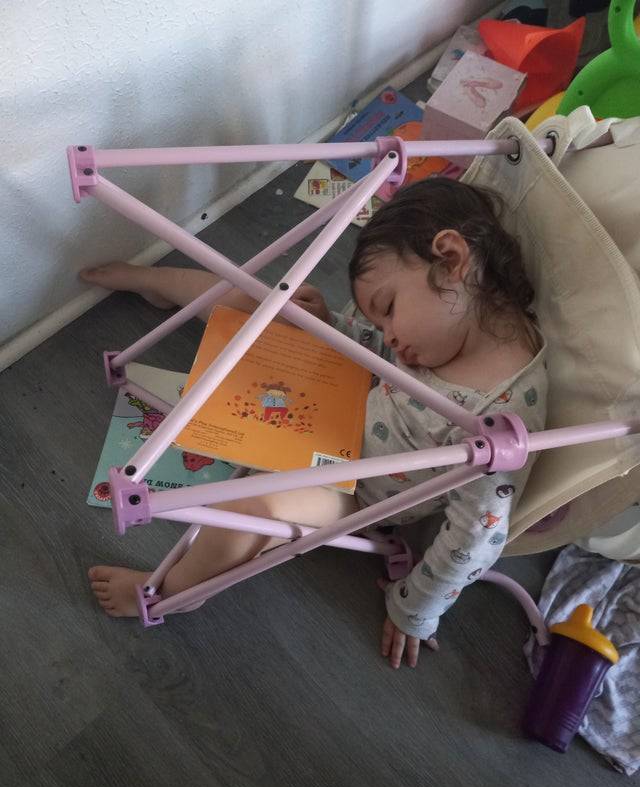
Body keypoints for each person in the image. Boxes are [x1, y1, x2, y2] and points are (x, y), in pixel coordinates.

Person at [82, 177, 547, 669]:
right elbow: (381, 352)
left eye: (389, 308)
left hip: (353, 489)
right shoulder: (450, 324)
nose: (391, 334)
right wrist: (334, 325)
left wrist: (415, 609)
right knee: (275, 306)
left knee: (250, 507)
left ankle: (172, 592)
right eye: (383, 320)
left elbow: (476, 536)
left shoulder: (502, 416)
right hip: (343, 397)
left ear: (451, 259)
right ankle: (161, 283)